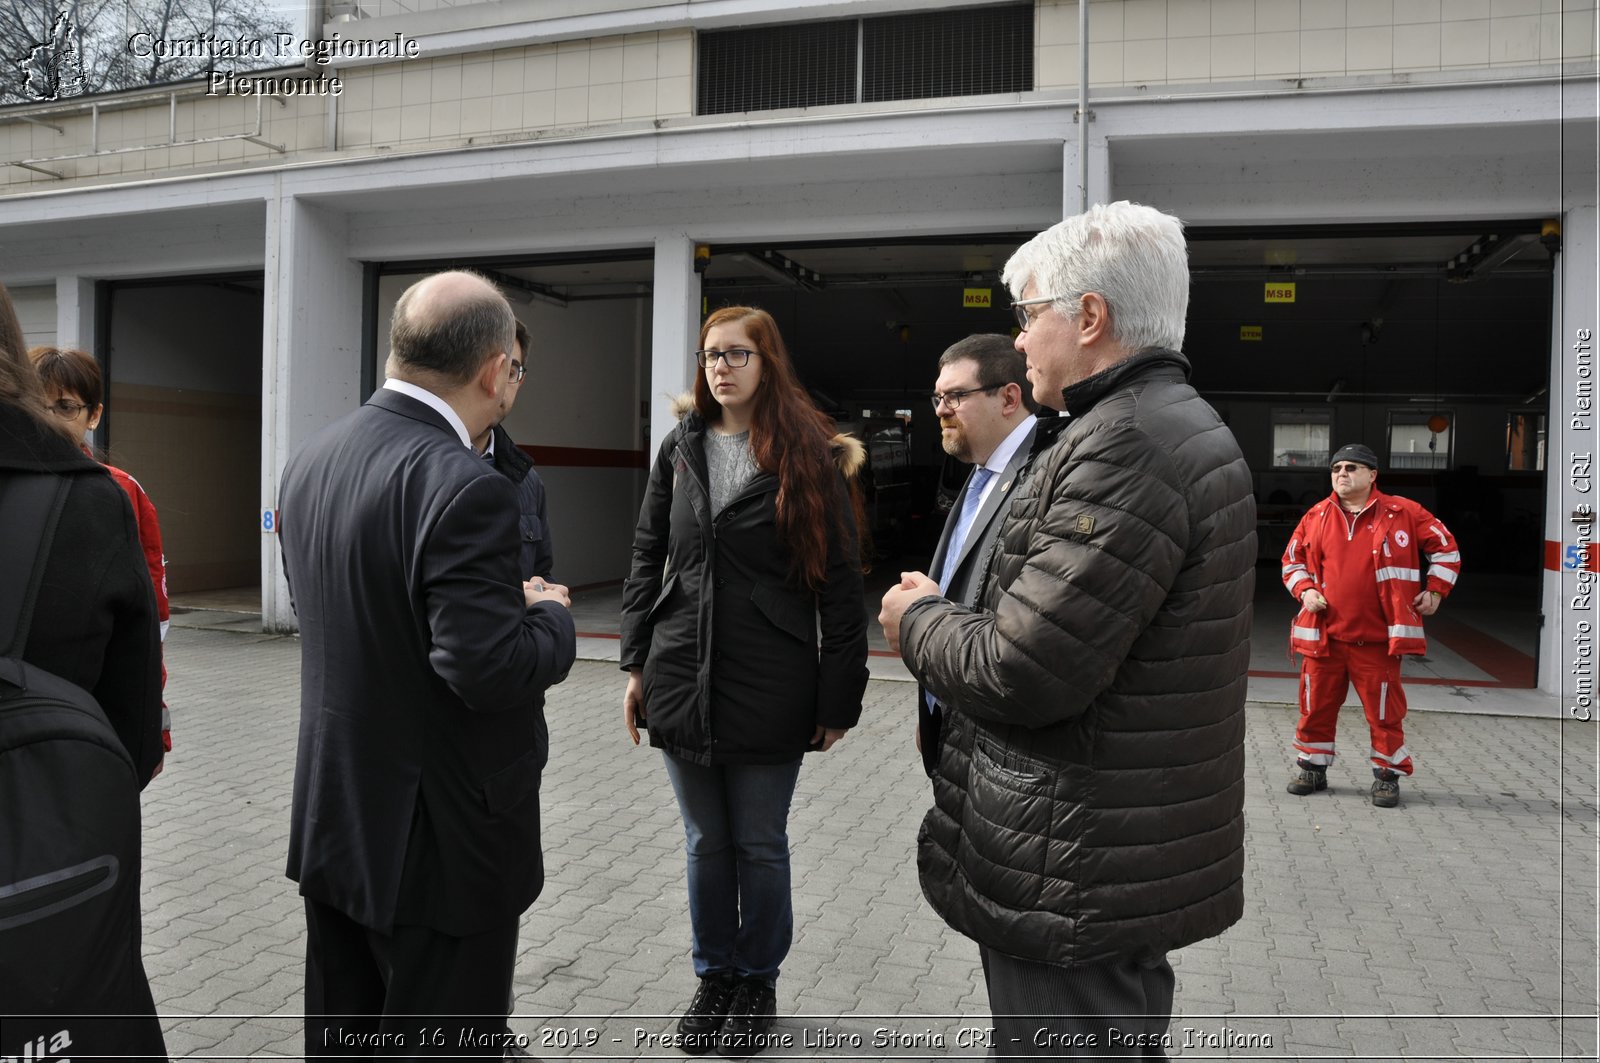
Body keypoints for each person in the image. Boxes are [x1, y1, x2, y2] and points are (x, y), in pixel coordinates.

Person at [879, 201, 1256, 1059]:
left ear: (1090, 318)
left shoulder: (1127, 444)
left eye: (1028, 315)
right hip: (1098, 850)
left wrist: (918, 619)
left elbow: (1026, 668)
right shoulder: (1155, 426)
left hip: (1073, 865)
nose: (1018, 343)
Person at [277, 270, 577, 1056]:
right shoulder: (466, 487)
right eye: (516, 367)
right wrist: (549, 617)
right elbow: (485, 667)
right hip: (443, 843)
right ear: (495, 370)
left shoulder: (313, 459)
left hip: (339, 819)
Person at [619, 305, 869, 1057]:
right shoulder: (681, 445)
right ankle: (714, 977)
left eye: (736, 354)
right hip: (679, 673)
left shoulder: (811, 453)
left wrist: (838, 698)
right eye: (710, 354)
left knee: (758, 841)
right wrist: (636, 664)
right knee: (705, 842)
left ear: (768, 362)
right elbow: (645, 553)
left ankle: (757, 979)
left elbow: (843, 588)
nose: (720, 367)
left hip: (771, 679)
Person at [0, 283, 166, 1055]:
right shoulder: (86, 504)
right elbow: (129, 735)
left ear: (93, 414)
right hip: (38, 867)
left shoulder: (122, 493)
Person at [1281, 442, 1461, 808]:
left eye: (1351, 467)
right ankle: (1312, 768)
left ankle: (1386, 775)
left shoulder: (1404, 513)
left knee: (1384, 713)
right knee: (1314, 707)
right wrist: (1305, 590)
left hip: (1377, 641)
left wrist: (1436, 592)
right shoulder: (1315, 516)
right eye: (1336, 469)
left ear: (1372, 475)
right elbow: (1291, 562)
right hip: (1324, 639)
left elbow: (1447, 549)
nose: (1342, 474)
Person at [30, 345, 172, 765]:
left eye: (65, 407)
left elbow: (151, 622)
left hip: (91, 700)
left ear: (94, 415)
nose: (49, 420)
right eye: (37, 407)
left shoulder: (121, 491)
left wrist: (152, 728)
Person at [916, 334, 1045, 777]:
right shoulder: (981, 474)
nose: (940, 409)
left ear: (1009, 397)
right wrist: (932, 710)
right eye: (937, 396)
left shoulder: (1044, 477)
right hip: (955, 717)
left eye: (955, 395)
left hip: (996, 738)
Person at [474, 318, 553, 581]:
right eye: (492, 369)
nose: (497, 387)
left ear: (520, 381)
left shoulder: (527, 481)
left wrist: (546, 597)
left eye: (510, 372)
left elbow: (541, 572)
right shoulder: (426, 467)